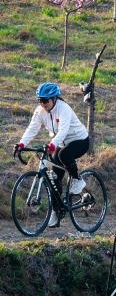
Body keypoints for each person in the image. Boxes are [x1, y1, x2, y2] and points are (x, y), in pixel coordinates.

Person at [14, 82, 90, 227]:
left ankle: (77, 180)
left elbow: (63, 130)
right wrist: (21, 144)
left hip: (79, 140)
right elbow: (32, 128)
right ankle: (57, 211)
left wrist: (53, 144)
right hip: (61, 143)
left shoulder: (63, 109)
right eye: (40, 100)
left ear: (54, 99)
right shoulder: (40, 111)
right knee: (53, 176)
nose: (42, 104)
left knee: (63, 155)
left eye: (45, 100)